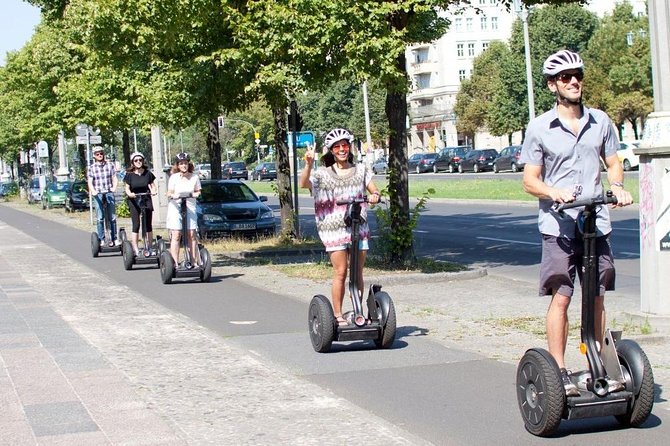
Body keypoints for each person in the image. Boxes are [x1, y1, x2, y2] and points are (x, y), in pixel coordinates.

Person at [519, 49, 633, 396]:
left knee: (596, 296)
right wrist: (554, 191)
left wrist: (616, 185)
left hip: (595, 220)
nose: (573, 81)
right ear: (553, 84)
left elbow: (613, 162)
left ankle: (600, 363)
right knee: (563, 297)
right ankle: (559, 372)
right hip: (559, 226)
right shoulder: (540, 127)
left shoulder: (600, 121)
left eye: (577, 75)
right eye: (565, 77)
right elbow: (529, 180)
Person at [299, 128, 381, 326]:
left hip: (358, 227)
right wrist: (308, 164)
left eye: (345, 145)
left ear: (349, 147)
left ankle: (357, 312)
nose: (342, 149)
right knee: (341, 271)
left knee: (357, 272)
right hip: (334, 230)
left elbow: (374, 189)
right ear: (331, 151)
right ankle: (337, 315)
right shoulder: (323, 174)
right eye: (337, 147)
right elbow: (304, 184)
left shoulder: (361, 170)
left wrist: (374, 196)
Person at [166, 152, 201, 266]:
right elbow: (169, 192)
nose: (183, 165)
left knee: (191, 234)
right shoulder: (173, 178)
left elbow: (198, 191)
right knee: (176, 234)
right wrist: (173, 195)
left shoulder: (194, 177)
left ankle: (193, 261)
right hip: (176, 207)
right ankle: (174, 263)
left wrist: (196, 194)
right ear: (178, 165)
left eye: (185, 163)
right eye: (181, 163)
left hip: (190, 207)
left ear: (188, 164)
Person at [124, 151, 158, 256]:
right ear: (132, 162)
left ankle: (149, 247)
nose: (138, 162)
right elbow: (127, 188)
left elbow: (153, 186)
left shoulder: (148, 173)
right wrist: (130, 194)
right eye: (136, 160)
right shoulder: (129, 175)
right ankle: (135, 248)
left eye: (140, 160)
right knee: (136, 224)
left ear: (143, 161)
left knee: (148, 224)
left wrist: (153, 191)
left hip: (146, 198)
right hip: (134, 200)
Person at [87, 146, 120, 247]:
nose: (100, 155)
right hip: (98, 193)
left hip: (109, 192)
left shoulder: (110, 165)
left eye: (101, 153)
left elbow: (114, 178)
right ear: (94, 156)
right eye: (97, 154)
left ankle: (114, 238)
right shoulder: (91, 168)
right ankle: (101, 239)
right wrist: (93, 191)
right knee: (100, 217)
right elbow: (90, 181)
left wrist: (114, 187)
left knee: (112, 217)